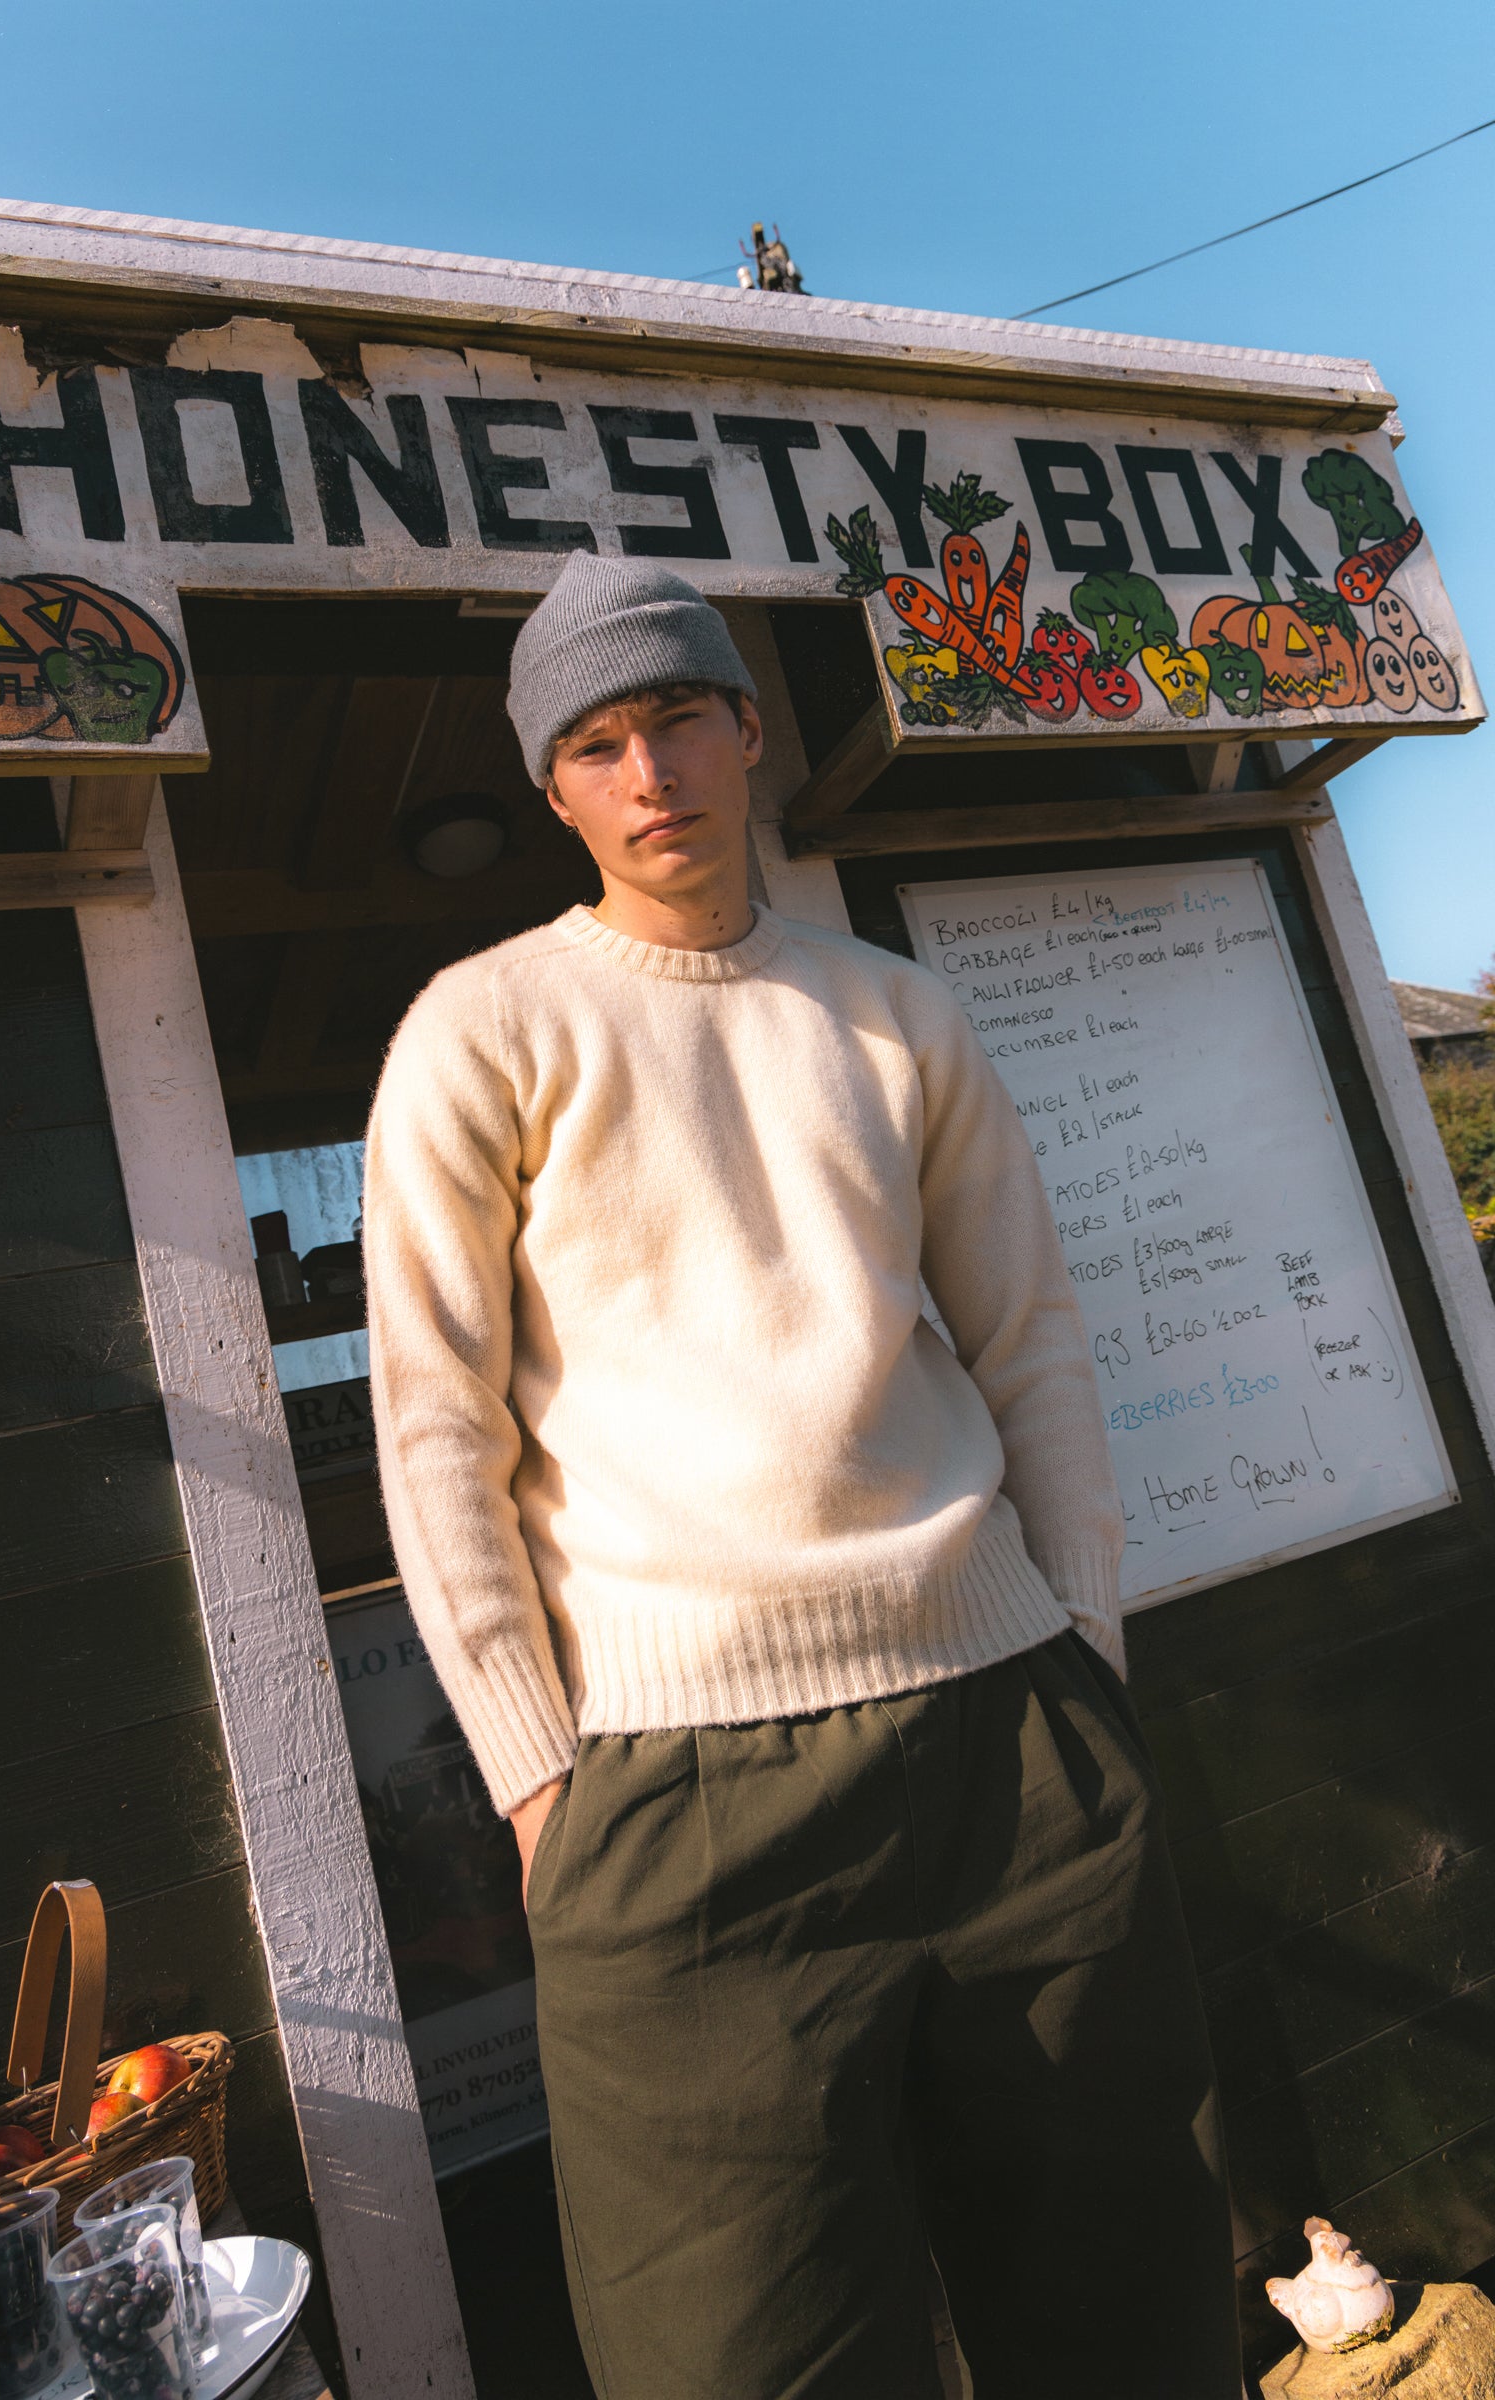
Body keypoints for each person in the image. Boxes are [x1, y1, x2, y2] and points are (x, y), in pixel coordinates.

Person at [364, 552, 1242, 2400]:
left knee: (1127, 2317)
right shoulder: (483, 1028)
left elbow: (1034, 1344)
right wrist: (536, 1771)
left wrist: (1083, 1640)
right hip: (674, 1805)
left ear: (747, 729)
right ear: (555, 791)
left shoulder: (896, 1016)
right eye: (595, 745)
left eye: (677, 715)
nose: (649, 771)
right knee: (742, 2362)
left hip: (1016, 1747)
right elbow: (435, 1426)